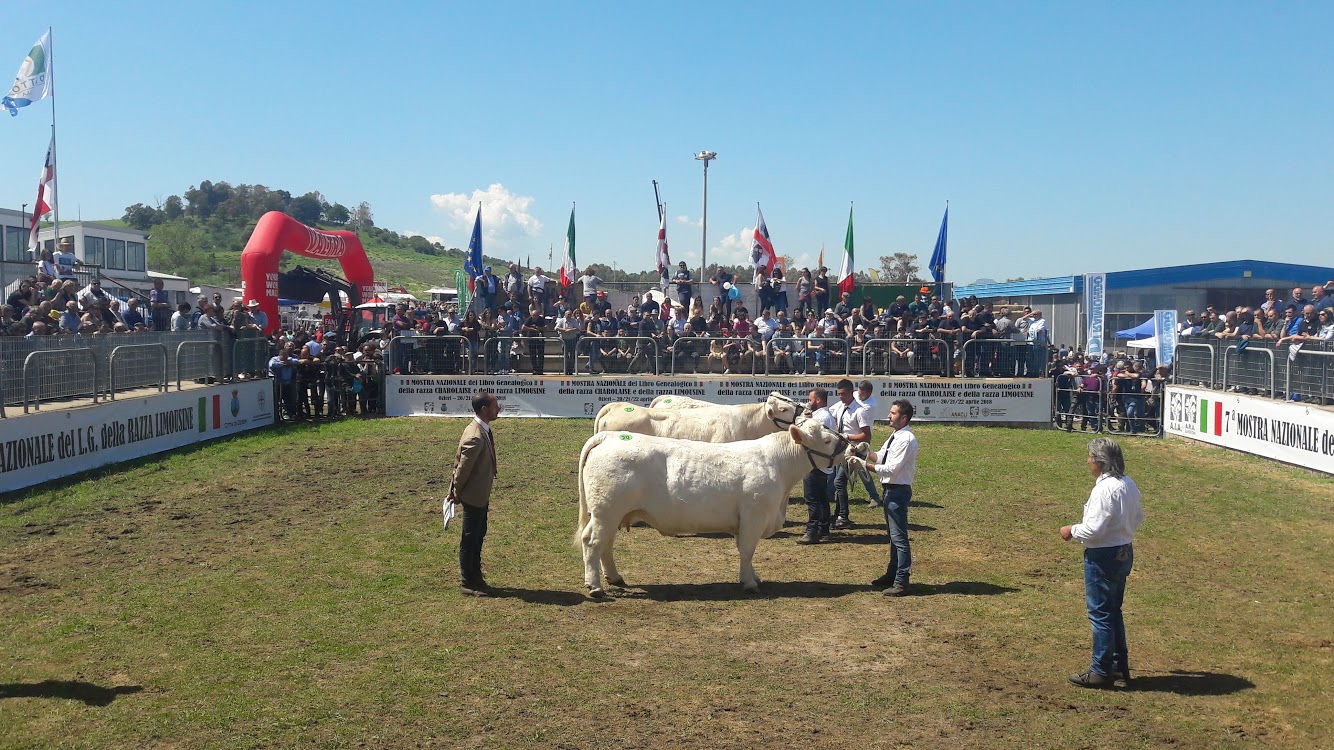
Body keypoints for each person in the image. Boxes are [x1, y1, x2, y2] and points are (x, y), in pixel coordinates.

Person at [1061, 438, 1144, 688]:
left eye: (1090, 458)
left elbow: (1094, 529)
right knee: (1113, 610)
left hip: (1103, 556)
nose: (1088, 462)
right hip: (1124, 551)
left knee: (1100, 613)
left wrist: (1071, 530)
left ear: (1099, 461)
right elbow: (1138, 517)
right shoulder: (1128, 484)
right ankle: (1118, 664)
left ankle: (1101, 670)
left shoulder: (1103, 490)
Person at [863, 399, 918, 596]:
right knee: (893, 537)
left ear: (903, 417)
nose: (889, 415)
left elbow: (891, 469)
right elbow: (881, 457)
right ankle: (893, 574)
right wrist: (865, 452)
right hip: (890, 491)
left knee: (899, 537)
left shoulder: (906, 439)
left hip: (897, 491)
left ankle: (901, 581)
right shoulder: (895, 436)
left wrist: (864, 466)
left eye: (893, 413)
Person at [449, 390, 501, 597]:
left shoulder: (480, 430)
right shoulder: (476, 437)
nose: (499, 409)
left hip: (479, 495)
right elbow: (462, 468)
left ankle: (475, 575)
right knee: (470, 538)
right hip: (473, 496)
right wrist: (456, 492)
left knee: (478, 535)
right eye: (495, 405)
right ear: (484, 409)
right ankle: (467, 581)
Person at [828, 378, 873, 530]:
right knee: (839, 482)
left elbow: (866, 436)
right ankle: (838, 514)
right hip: (842, 450)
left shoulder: (859, 411)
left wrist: (847, 437)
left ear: (850, 393)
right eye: (838, 394)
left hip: (854, 452)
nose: (840, 397)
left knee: (839, 482)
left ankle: (843, 515)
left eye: (843, 394)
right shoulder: (841, 407)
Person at [797, 388, 837, 544]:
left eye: (811, 399)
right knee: (820, 498)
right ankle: (823, 529)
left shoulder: (822, 418)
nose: (809, 402)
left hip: (815, 463)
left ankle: (812, 531)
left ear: (818, 400)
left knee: (812, 498)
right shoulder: (822, 416)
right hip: (819, 462)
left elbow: (809, 438)